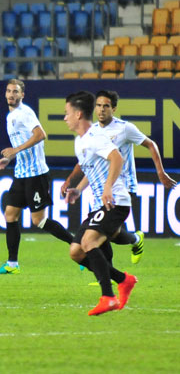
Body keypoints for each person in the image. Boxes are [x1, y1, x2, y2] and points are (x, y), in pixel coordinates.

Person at [62, 90, 177, 264]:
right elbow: (89, 164)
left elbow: (151, 144)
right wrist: (76, 186)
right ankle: (132, 244)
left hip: (124, 186)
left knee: (101, 232)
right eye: (98, 106)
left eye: (106, 106)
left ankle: (109, 273)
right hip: (102, 188)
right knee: (110, 233)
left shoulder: (124, 128)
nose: (101, 110)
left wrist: (160, 172)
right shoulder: (91, 132)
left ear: (114, 109)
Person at [62, 91, 137, 316]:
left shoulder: (96, 137)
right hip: (98, 205)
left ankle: (108, 297)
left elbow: (117, 158)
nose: (64, 118)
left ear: (78, 114)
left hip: (115, 201)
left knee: (89, 241)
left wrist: (107, 187)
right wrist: (78, 189)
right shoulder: (80, 142)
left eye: (66, 113)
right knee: (76, 252)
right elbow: (91, 169)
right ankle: (124, 280)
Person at [0, 79, 74, 275]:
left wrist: (15, 150)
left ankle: (79, 245)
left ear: (22, 95)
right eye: (9, 91)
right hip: (21, 173)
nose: (11, 95)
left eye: (15, 92)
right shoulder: (10, 116)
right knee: (10, 215)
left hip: (36, 174)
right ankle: (12, 264)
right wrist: (9, 159)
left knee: (39, 221)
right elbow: (21, 143)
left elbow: (40, 134)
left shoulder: (24, 113)